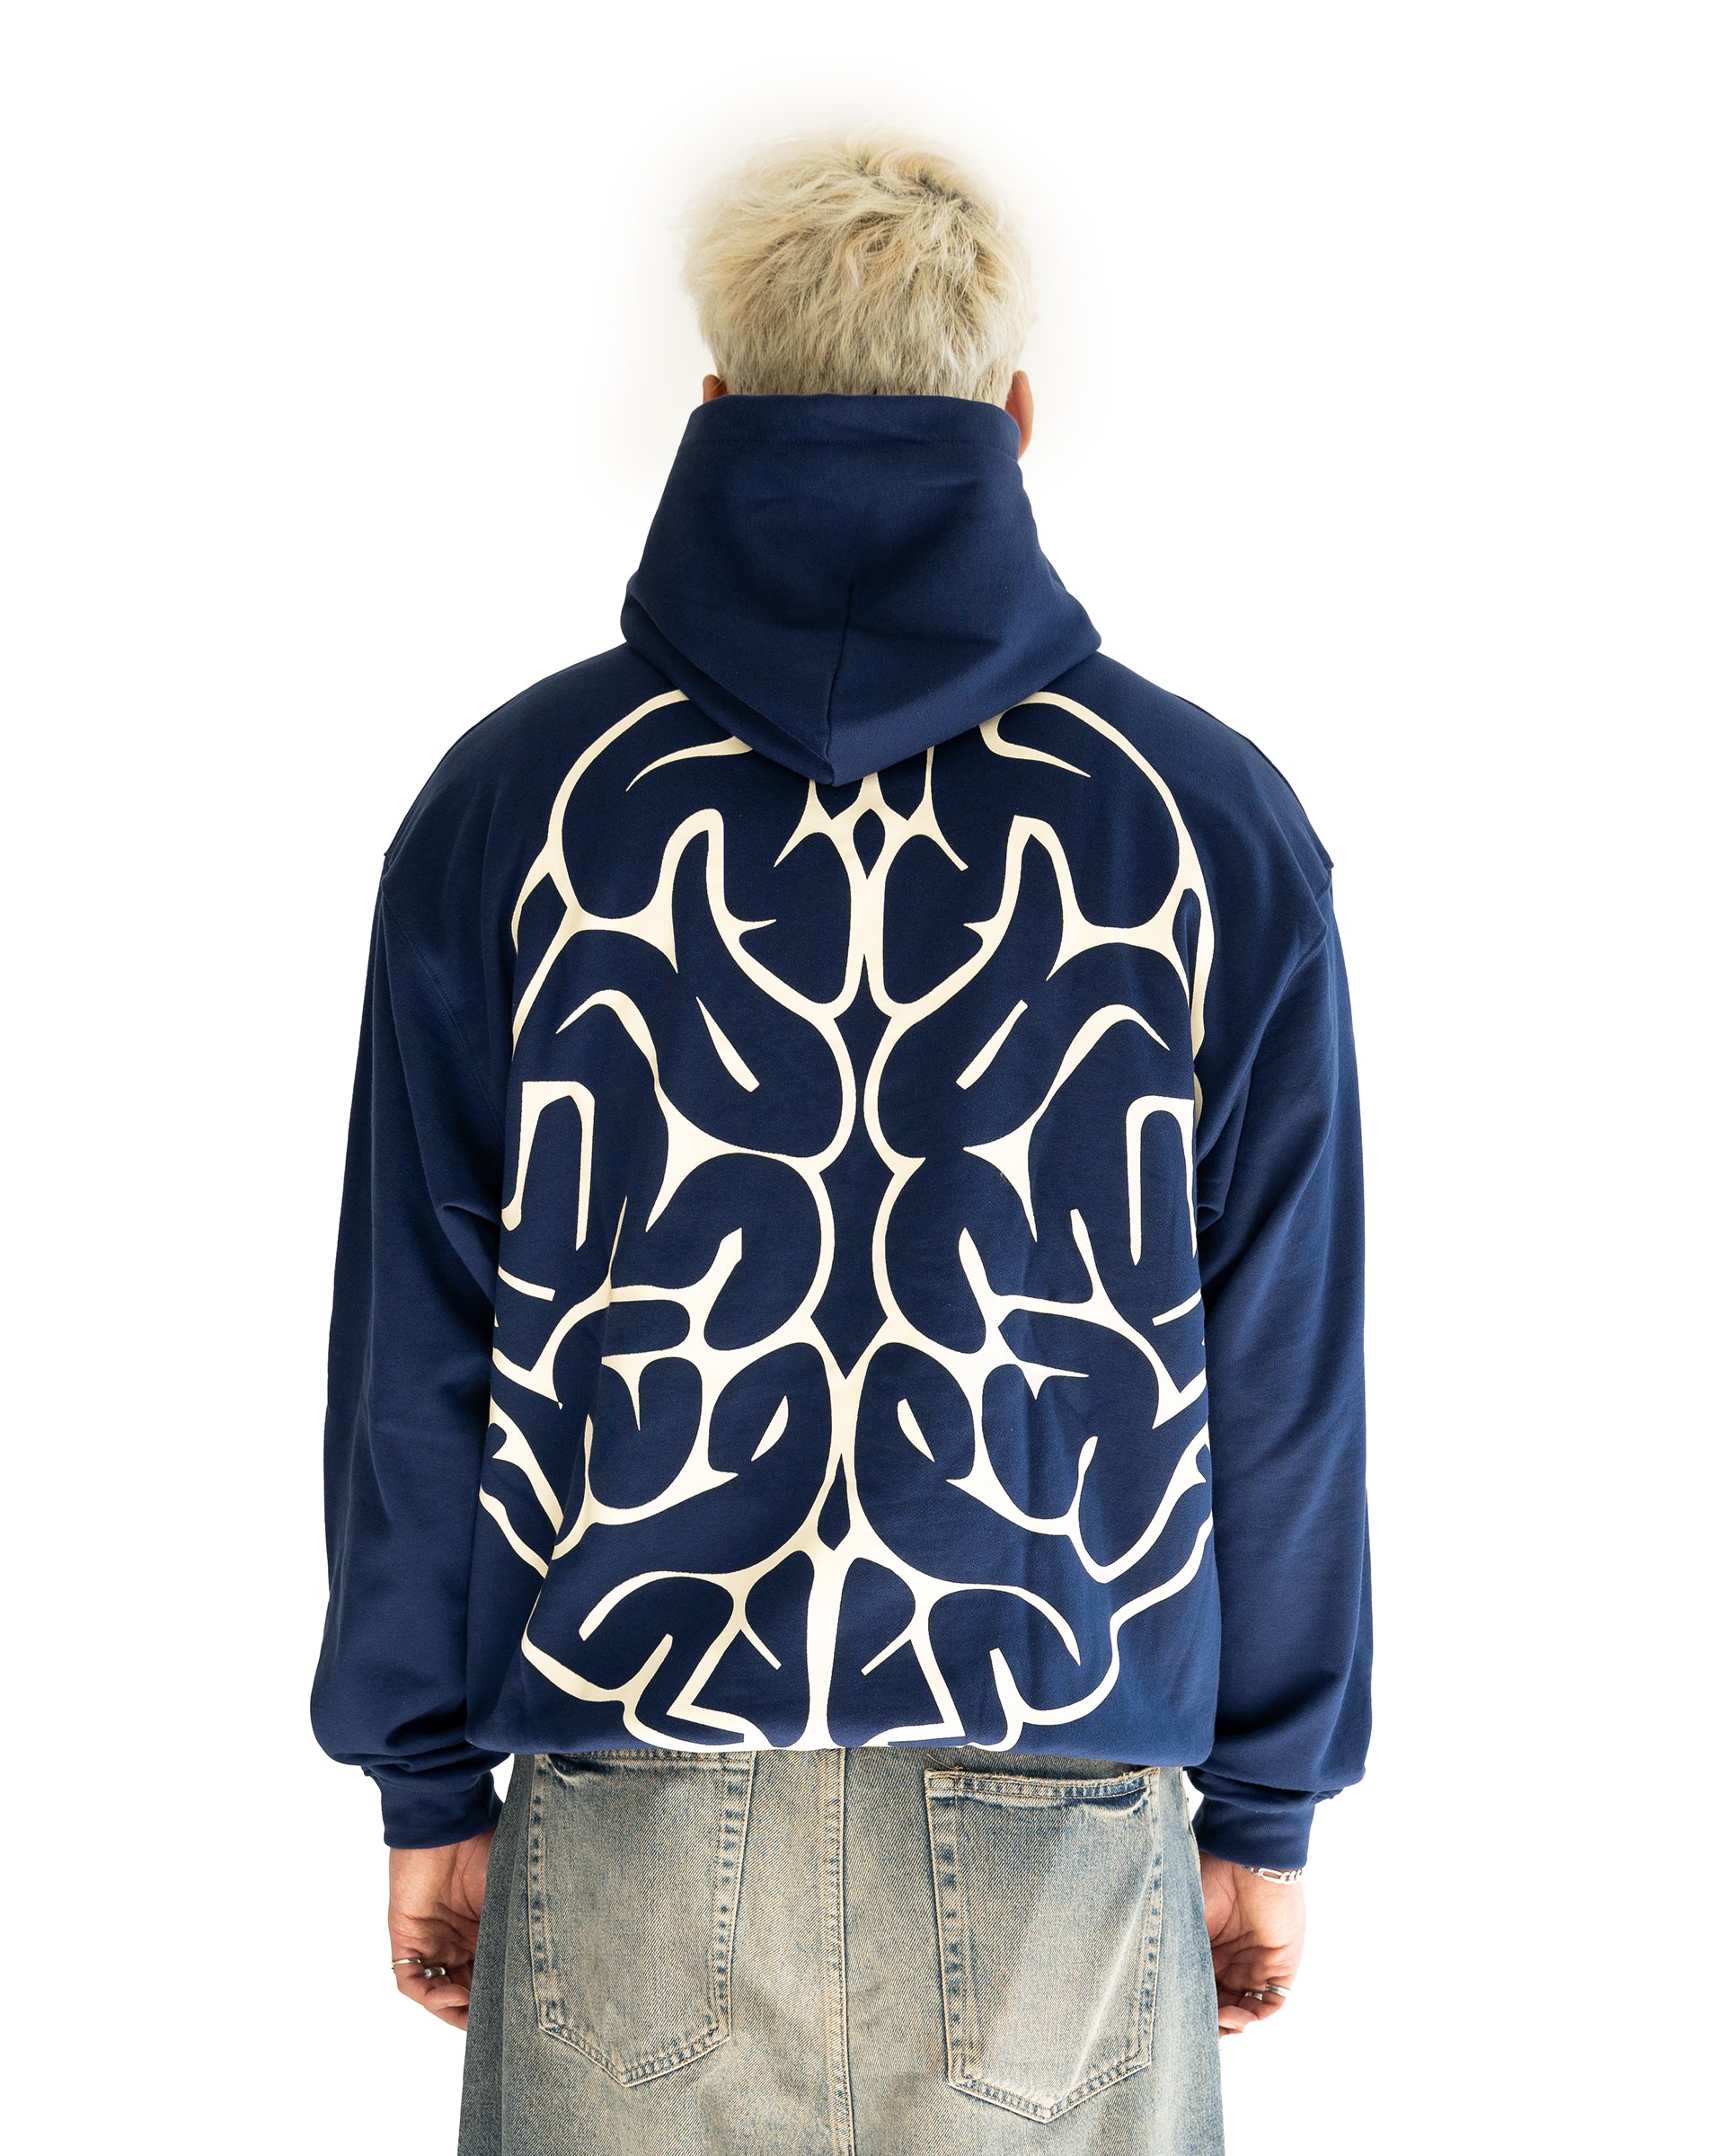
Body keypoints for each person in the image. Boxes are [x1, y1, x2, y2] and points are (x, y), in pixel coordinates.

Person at [313, 131, 1370, 2156]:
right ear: (1017, 413)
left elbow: (417, 1348)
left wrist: (424, 1779)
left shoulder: (519, 806)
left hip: (627, 1773)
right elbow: (1283, 1364)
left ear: (714, 400)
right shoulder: (1200, 822)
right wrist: (1267, 1799)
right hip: (1063, 1792)